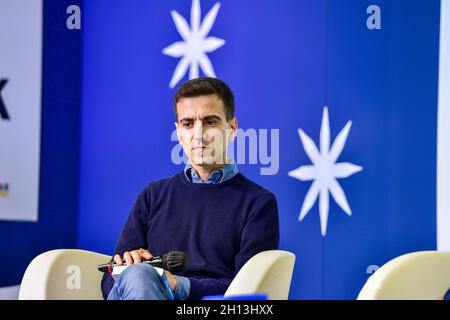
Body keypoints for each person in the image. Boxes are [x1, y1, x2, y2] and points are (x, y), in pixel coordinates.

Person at [101, 77, 280, 300]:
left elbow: (249, 290)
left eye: (210, 122)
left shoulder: (258, 203)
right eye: (188, 124)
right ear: (178, 132)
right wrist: (124, 268)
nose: (199, 134)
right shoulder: (152, 195)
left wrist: (179, 284)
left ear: (232, 127)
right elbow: (108, 283)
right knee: (137, 275)